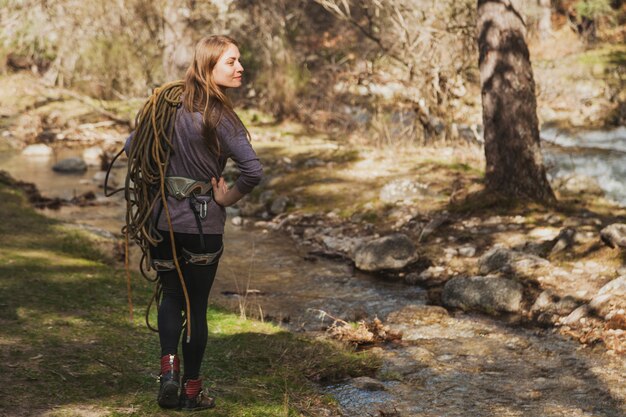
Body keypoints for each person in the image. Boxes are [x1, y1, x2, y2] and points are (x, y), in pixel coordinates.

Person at [125, 35, 263, 411]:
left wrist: (162, 172)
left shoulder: (165, 109)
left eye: (238, 60)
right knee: (196, 307)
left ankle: (168, 373)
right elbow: (252, 171)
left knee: (172, 296)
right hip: (202, 226)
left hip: (162, 223)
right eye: (231, 62)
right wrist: (227, 197)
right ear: (208, 68)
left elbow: (130, 145)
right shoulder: (221, 116)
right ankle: (191, 392)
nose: (239, 68)